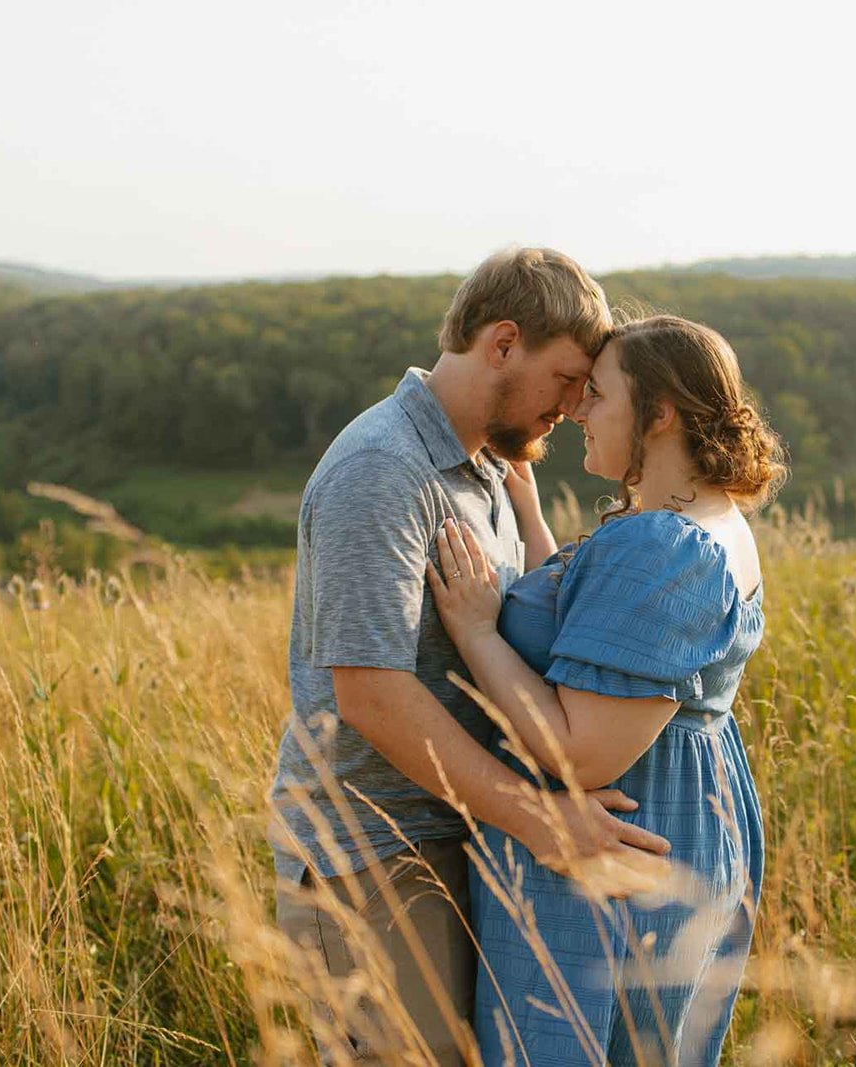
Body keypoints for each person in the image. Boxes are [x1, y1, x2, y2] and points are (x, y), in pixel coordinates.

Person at [269, 247, 672, 1066]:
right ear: (502, 343)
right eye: (566, 378)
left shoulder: (485, 461)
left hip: (457, 830)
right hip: (374, 852)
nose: (575, 403)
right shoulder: (381, 471)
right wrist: (543, 820)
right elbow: (371, 695)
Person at [426, 315, 787, 1065]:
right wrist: (528, 515)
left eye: (598, 395)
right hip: (676, 822)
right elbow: (597, 635)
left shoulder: (664, 547)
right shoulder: (699, 519)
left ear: (659, 414)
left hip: (612, 855)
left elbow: (581, 751)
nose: (577, 411)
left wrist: (478, 633)